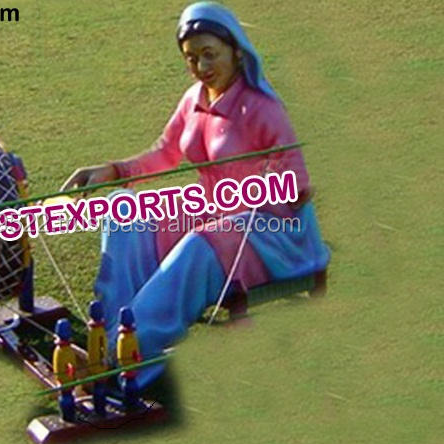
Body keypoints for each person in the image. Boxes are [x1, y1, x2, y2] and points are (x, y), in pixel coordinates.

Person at [61, 2, 330, 387]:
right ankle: (113, 337)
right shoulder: (194, 100)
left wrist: (253, 195)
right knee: (125, 215)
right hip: (214, 213)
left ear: (235, 50)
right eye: (191, 58)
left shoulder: (263, 108)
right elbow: (165, 152)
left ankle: (133, 357)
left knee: (200, 244)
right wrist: (114, 170)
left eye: (209, 54)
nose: (201, 66)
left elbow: (298, 188)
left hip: (273, 231)